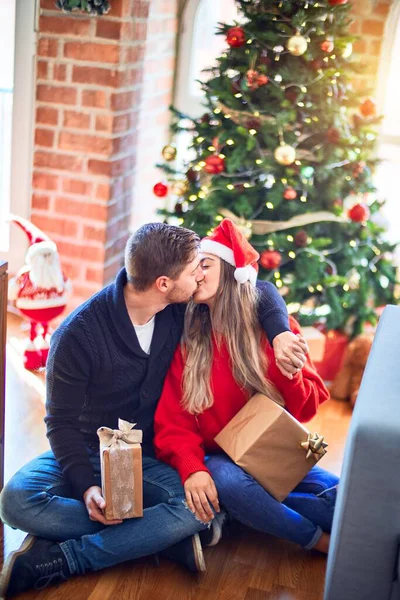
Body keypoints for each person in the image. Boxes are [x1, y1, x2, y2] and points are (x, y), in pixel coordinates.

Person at [0, 222, 307, 598]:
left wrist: (280, 333)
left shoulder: (180, 308)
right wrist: (86, 487)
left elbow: (260, 290)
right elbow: (59, 423)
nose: (200, 275)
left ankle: (71, 558)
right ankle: (158, 538)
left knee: (199, 507)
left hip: (149, 454)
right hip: (87, 446)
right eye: (194, 268)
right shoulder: (77, 337)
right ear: (163, 283)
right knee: (16, 501)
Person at [154, 219, 339, 554]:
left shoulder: (273, 330)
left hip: (268, 453)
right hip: (219, 461)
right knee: (228, 481)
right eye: (194, 266)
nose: (197, 273)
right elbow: (173, 424)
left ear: (232, 271)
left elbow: (307, 409)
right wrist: (193, 469)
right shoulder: (189, 340)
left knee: (340, 496)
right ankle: (317, 541)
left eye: (206, 264)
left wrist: (291, 371)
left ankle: (244, 510)